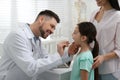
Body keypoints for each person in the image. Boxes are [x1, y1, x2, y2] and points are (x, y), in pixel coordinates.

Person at [0, 10, 72, 80]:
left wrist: (68, 53)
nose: (52, 31)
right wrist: (58, 55)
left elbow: (46, 59)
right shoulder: (17, 36)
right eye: (51, 26)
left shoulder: (37, 39)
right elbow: (31, 68)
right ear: (41, 19)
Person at [90, 0, 120, 80]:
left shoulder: (117, 16)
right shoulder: (94, 13)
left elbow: (119, 49)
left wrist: (103, 57)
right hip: (92, 67)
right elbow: (89, 37)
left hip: (109, 71)